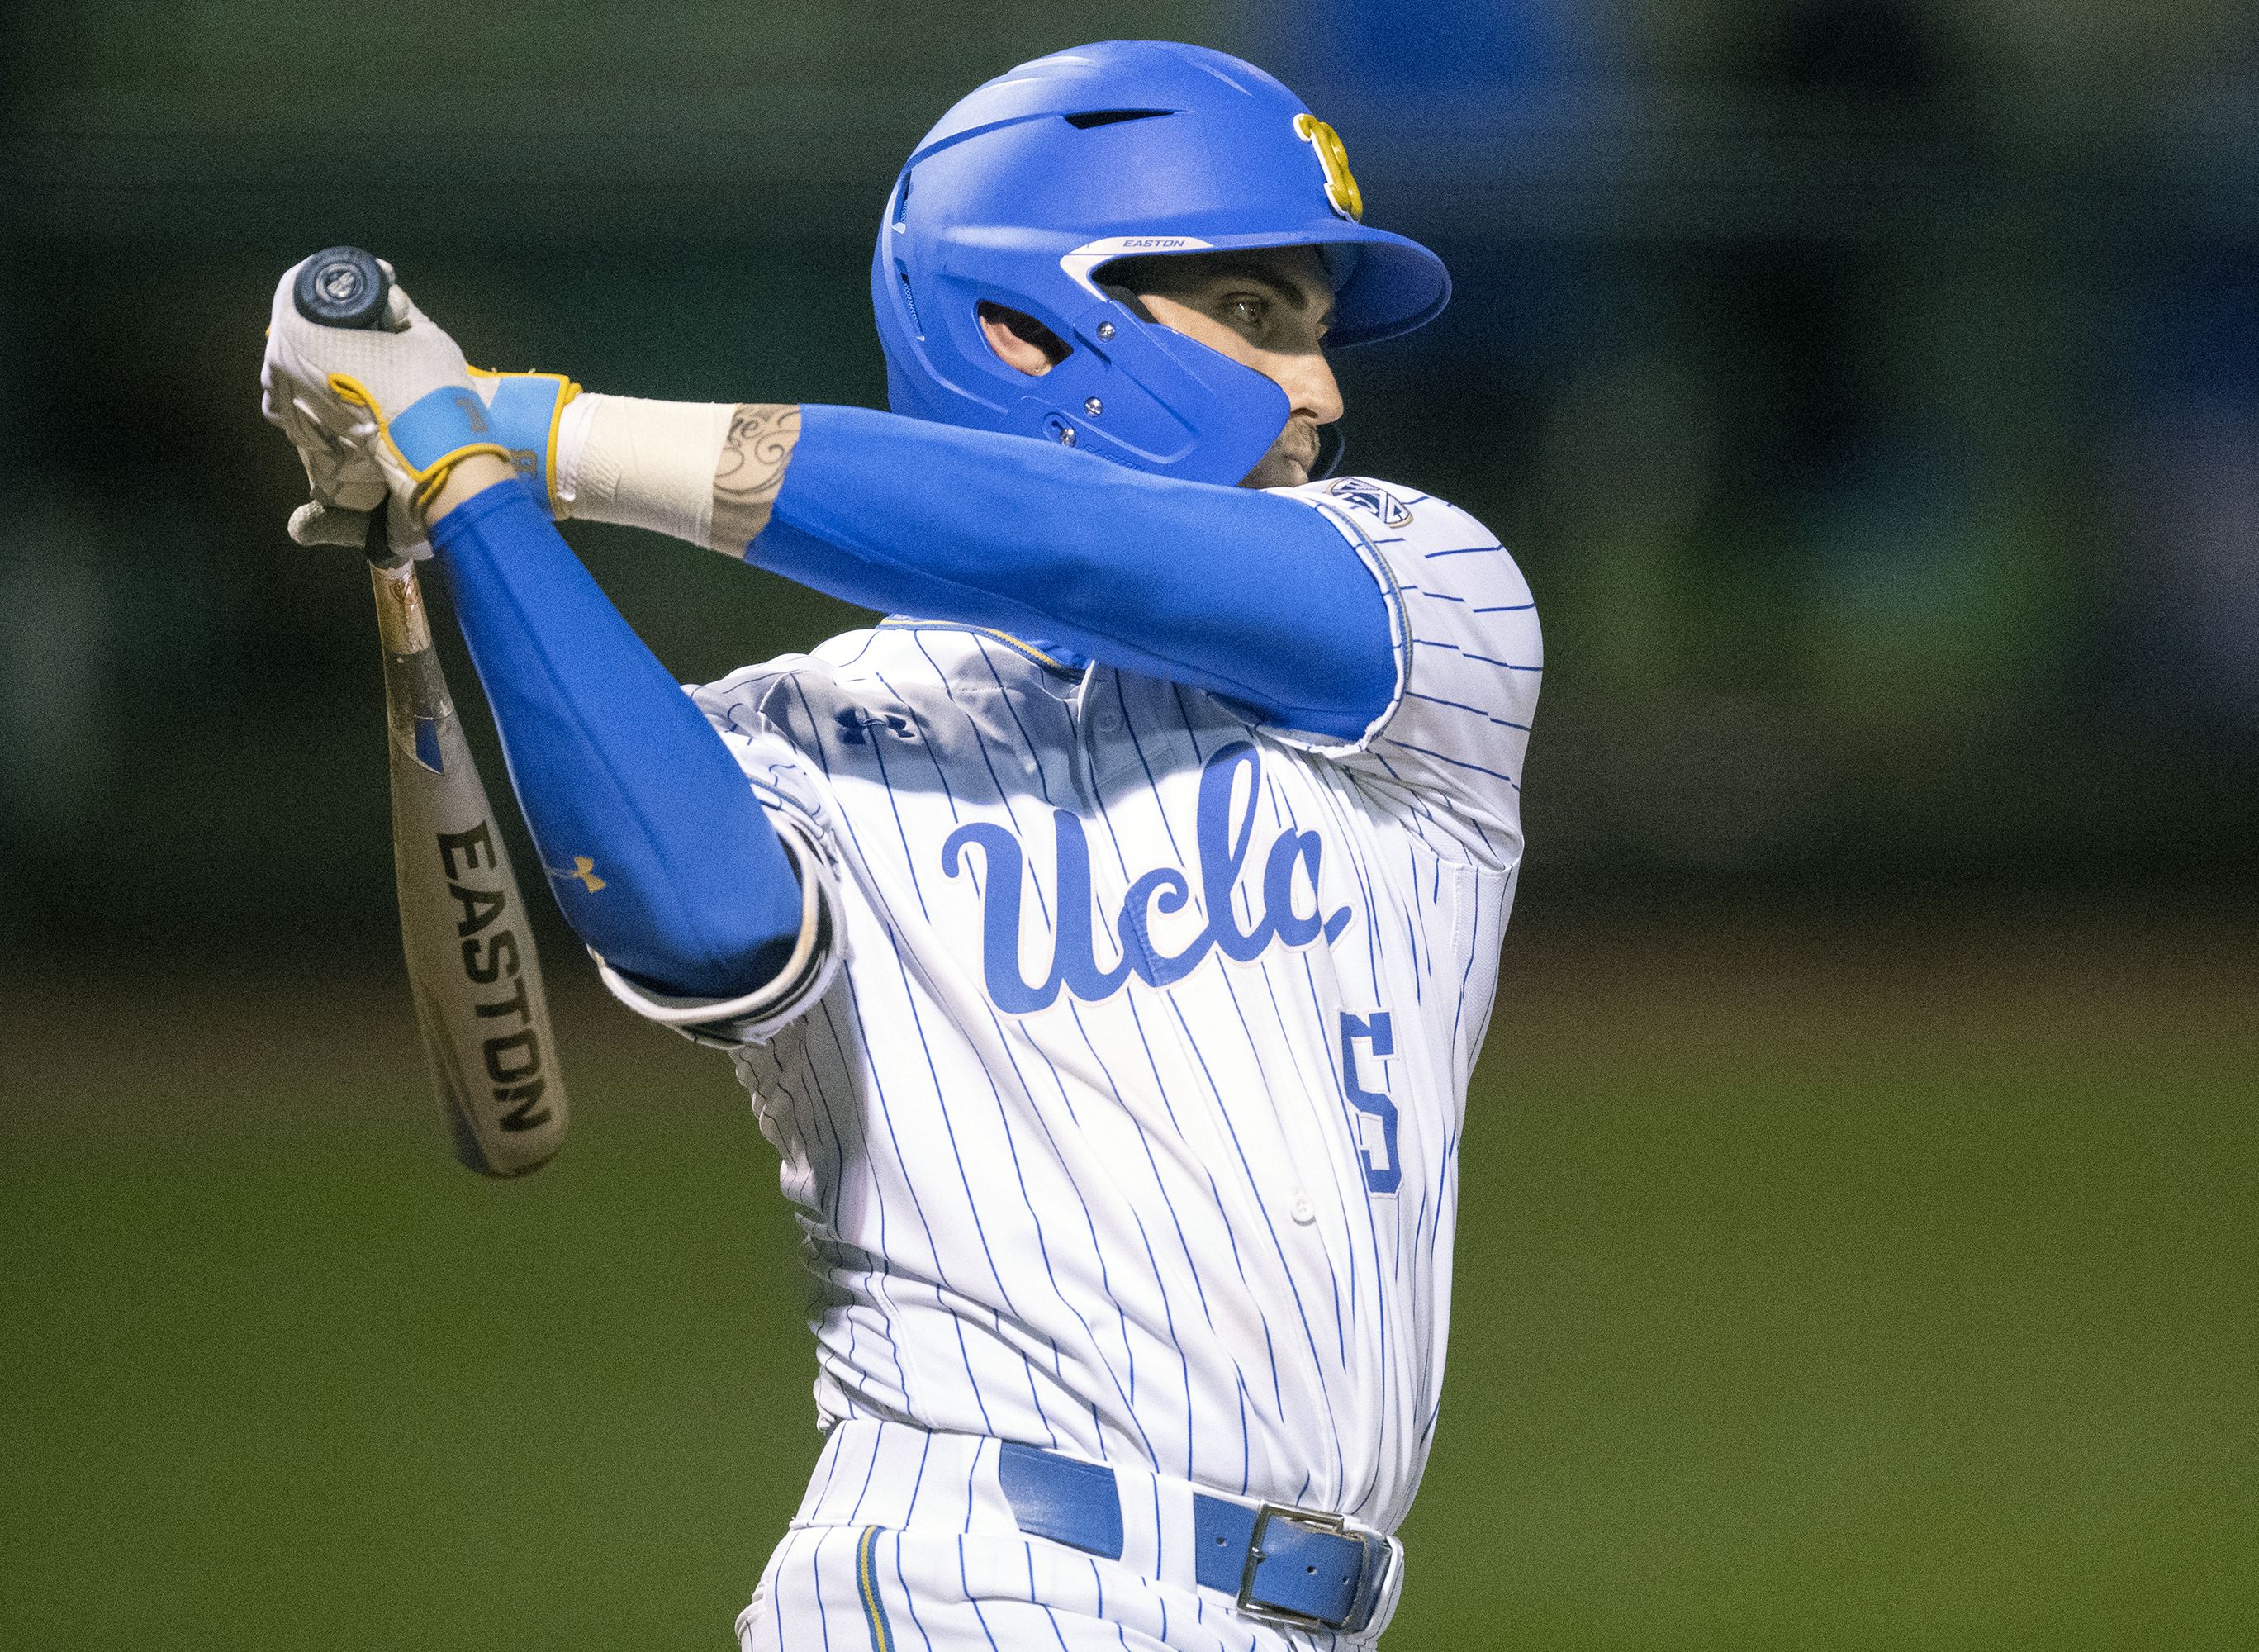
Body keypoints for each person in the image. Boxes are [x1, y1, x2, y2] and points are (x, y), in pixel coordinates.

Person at [259, 40, 1539, 1651]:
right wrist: (466, 494)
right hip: (957, 1590)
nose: (1324, 391)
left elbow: (1056, 539)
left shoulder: (1434, 605)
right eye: (1260, 317)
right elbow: (700, 910)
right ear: (1024, 326)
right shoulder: (798, 730)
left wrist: (529, 430)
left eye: (1321, 333)